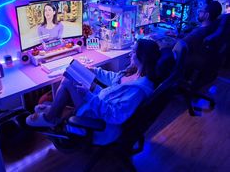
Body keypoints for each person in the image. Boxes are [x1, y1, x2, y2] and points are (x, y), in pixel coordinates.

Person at [26, 39, 174, 145]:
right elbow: (113, 78)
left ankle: (51, 116)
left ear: (143, 57)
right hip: (100, 101)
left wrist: (88, 95)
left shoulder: (138, 90)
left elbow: (115, 116)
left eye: (133, 52)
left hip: (101, 122)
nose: (130, 54)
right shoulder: (135, 73)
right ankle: (54, 112)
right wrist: (92, 70)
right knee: (72, 76)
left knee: (67, 81)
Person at [182, 0, 222, 81]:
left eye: (201, 11)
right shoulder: (214, 27)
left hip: (186, 57)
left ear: (207, 15)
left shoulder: (198, 33)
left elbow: (180, 44)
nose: (198, 12)